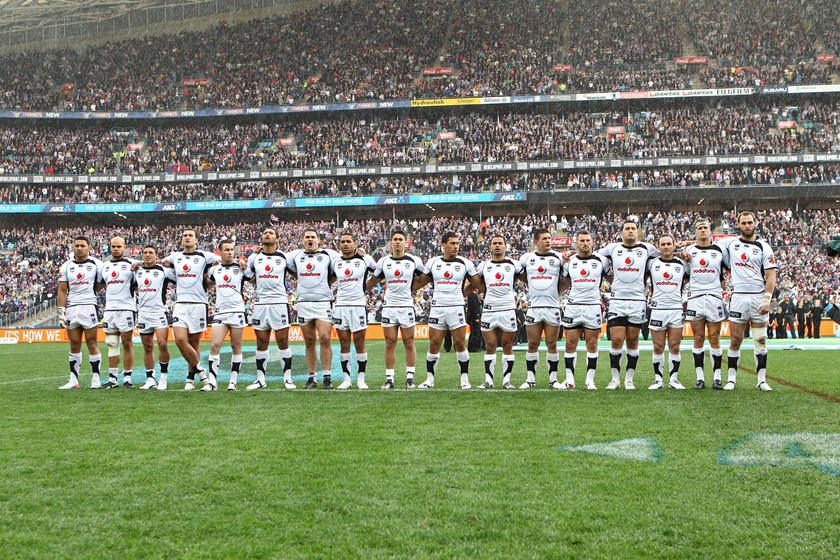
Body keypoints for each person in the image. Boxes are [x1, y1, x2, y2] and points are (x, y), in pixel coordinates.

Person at [414, 232, 482, 389]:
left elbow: (476, 284)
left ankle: (464, 380)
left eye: (457, 243)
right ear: (443, 245)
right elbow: (419, 283)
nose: (456, 246)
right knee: (434, 344)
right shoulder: (433, 263)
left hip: (456, 307)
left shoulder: (466, 263)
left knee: (459, 343)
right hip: (437, 308)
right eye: (452, 243)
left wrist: (462, 294)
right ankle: (429, 379)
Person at [718, 211, 778, 391]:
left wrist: (767, 299)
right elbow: (706, 245)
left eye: (749, 222)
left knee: (760, 340)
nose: (746, 226)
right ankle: (731, 380)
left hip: (759, 298)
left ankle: (761, 381)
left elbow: (771, 275)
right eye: (743, 223)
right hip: (738, 298)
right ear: (738, 225)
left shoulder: (764, 246)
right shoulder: (730, 243)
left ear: (755, 223)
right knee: (735, 339)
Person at [598, 219, 659, 389]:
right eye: (627, 228)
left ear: (637, 232)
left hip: (638, 300)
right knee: (616, 340)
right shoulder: (612, 248)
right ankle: (615, 379)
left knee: (633, 341)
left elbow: (660, 261)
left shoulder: (647, 248)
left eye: (633, 228)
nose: (630, 231)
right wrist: (607, 274)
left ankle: (629, 379)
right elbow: (595, 258)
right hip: (617, 300)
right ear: (621, 232)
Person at [367, 229, 426, 389]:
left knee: (409, 342)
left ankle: (410, 377)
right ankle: (389, 378)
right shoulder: (383, 262)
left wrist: (414, 287)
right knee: (390, 342)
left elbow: (425, 277)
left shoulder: (414, 261)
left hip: (406, 305)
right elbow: (373, 281)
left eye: (401, 239)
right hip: (389, 307)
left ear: (405, 243)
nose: (398, 242)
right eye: (395, 239)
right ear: (391, 243)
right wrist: (358, 287)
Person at [162, 228, 219, 390]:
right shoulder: (175, 257)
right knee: (180, 340)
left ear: (196, 240)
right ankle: (201, 371)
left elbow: (222, 259)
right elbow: (160, 263)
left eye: (190, 236)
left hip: (199, 303)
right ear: (182, 240)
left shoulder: (204, 256)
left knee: (194, 342)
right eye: (185, 235)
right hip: (180, 304)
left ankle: (190, 379)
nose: (187, 238)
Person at [287, 228, 339, 389]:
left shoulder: (329, 255)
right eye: (307, 237)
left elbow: (338, 269)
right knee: (309, 341)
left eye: (313, 237)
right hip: (303, 303)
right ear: (303, 240)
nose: (310, 239)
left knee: (324, 338)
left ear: (318, 240)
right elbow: (284, 264)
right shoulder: (295, 255)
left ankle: (327, 377)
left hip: (323, 302)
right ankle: (311, 377)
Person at [244, 227, 295, 390]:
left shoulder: (284, 258)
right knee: (261, 342)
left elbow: (296, 273)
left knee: (282, 341)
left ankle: (287, 379)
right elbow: (251, 279)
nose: (267, 234)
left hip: (279, 303)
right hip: (260, 304)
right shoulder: (254, 258)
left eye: (271, 233)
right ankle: (260, 379)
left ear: (277, 239)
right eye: (265, 233)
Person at [560, 230, 610, 390]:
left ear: (592, 242)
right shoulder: (570, 261)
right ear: (576, 242)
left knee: (592, 344)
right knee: (570, 343)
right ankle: (569, 380)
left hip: (593, 306)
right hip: (573, 306)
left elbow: (612, 278)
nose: (585, 243)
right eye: (581, 241)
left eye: (588, 240)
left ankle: (590, 380)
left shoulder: (602, 260)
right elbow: (565, 283)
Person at [475, 234, 524, 389]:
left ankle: (506, 381)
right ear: (490, 246)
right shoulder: (483, 266)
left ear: (505, 246)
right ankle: (488, 380)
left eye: (500, 243)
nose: (497, 245)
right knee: (490, 345)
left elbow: (527, 278)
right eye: (494, 243)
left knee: (507, 345)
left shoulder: (514, 264)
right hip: (489, 309)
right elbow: (476, 284)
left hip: (508, 309)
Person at [684, 219, 727, 389]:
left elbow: (725, 270)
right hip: (695, 298)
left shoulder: (719, 249)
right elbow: (686, 274)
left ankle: (717, 377)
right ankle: (699, 378)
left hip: (714, 297)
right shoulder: (689, 251)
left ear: (710, 231)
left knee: (714, 337)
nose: (703, 230)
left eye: (705, 228)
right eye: (699, 228)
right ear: (695, 232)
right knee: (698, 337)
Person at [519, 228, 564, 389]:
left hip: (552, 306)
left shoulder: (558, 258)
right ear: (536, 242)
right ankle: (530, 379)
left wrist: (559, 290)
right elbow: (518, 274)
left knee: (552, 343)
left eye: (549, 238)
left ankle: (553, 380)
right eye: (544, 238)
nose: (548, 241)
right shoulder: (527, 258)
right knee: (533, 343)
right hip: (534, 307)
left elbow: (566, 278)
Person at [57, 236, 104, 389]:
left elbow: (101, 283)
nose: (79, 248)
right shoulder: (66, 266)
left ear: (89, 247)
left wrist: (90, 295)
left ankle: (96, 378)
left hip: (89, 306)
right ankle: (73, 380)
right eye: (76, 245)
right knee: (74, 343)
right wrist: (61, 312)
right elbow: (62, 290)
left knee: (92, 342)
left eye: (82, 245)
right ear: (73, 247)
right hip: (72, 308)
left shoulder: (97, 264)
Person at [332, 232, 376, 389]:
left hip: (358, 305)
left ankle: (361, 379)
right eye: (342, 241)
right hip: (341, 306)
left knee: (359, 342)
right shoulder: (335, 261)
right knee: (344, 342)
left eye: (348, 241)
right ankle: (346, 379)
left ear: (355, 243)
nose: (345, 244)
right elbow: (328, 278)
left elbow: (378, 273)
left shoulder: (365, 259)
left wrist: (367, 286)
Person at [647, 235, 689, 390]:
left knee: (674, 346)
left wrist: (683, 252)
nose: (666, 247)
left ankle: (673, 379)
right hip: (657, 309)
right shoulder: (652, 263)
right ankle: (658, 380)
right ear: (658, 246)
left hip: (676, 309)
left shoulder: (683, 264)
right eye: (663, 244)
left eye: (669, 244)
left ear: (673, 246)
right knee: (658, 346)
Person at [203, 240, 246, 391]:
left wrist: (245, 264)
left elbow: (253, 278)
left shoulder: (240, 268)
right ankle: (212, 382)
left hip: (237, 311)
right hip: (220, 311)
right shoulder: (215, 270)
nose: (229, 252)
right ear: (219, 252)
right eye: (226, 250)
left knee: (236, 346)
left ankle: (233, 381)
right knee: (214, 345)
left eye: (231, 250)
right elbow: (208, 283)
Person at [133, 245, 175, 390]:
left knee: (162, 344)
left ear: (156, 255)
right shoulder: (136, 271)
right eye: (145, 253)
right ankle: (150, 378)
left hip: (159, 312)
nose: (148, 255)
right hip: (143, 313)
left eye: (151, 253)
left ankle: (163, 377)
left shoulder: (164, 271)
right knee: (147, 347)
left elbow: (181, 275)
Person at [100, 236, 138, 389]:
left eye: (119, 246)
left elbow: (137, 285)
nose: (116, 249)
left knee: (127, 343)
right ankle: (113, 378)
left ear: (124, 247)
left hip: (126, 309)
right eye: (113, 246)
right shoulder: (105, 266)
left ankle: (127, 377)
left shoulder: (132, 265)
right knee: (112, 344)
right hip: (109, 309)